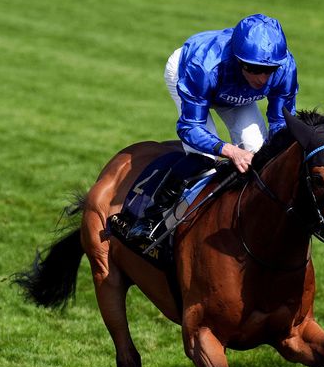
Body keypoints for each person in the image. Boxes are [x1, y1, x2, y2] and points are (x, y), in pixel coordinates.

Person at [126, 13, 299, 242]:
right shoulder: (204, 65)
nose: (262, 78)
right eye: (253, 68)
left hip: (238, 92)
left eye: (269, 70)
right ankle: (151, 218)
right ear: (238, 60)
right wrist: (230, 150)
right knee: (205, 158)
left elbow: (280, 123)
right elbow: (190, 127)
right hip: (189, 73)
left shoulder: (285, 68)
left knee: (261, 156)